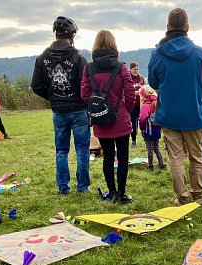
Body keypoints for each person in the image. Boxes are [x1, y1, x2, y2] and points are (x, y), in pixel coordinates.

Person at [148, 7, 202, 206]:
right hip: (194, 114)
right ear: (187, 27)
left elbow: (154, 83)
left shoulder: (157, 53)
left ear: (168, 27)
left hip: (169, 115)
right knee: (197, 157)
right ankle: (198, 195)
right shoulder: (200, 53)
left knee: (175, 158)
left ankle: (182, 197)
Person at [31, 16, 90, 195]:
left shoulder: (42, 58)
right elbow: (86, 85)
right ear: (71, 35)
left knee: (61, 150)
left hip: (58, 111)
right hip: (79, 109)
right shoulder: (78, 58)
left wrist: (53, 97)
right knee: (82, 149)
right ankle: (83, 188)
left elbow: (36, 86)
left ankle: (63, 187)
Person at [81, 30, 135, 204]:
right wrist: (125, 108)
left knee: (108, 156)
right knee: (123, 156)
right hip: (120, 118)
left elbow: (84, 93)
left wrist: (97, 106)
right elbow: (130, 91)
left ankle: (111, 192)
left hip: (101, 119)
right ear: (114, 45)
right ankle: (121, 193)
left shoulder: (88, 68)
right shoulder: (121, 67)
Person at [138, 85, 166, 171]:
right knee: (156, 147)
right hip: (157, 130)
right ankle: (161, 163)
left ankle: (150, 166)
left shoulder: (146, 105)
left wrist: (141, 127)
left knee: (149, 148)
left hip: (148, 131)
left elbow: (142, 119)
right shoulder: (157, 102)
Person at [129, 62, 145, 148]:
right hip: (131, 104)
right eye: (134, 69)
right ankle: (133, 140)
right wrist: (134, 93)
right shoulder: (128, 78)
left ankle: (144, 140)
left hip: (141, 104)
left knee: (141, 122)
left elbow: (145, 88)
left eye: (137, 69)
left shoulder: (141, 78)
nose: (136, 71)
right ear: (130, 69)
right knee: (132, 123)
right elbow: (125, 90)